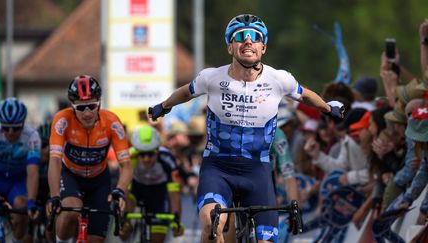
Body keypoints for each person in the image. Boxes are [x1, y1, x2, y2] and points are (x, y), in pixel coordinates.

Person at [148, 14, 344, 243]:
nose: (248, 40)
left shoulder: (279, 79)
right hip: (218, 167)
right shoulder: (211, 78)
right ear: (230, 47)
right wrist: (164, 106)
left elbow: (306, 95)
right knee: (213, 224)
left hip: (256, 170)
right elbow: (186, 92)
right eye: (240, 36)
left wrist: (328, 109)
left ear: (264, 47)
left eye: (255, 37)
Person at [47, 75, 133, 243]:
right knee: (71, 212)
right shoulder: (62, 120)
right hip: (71, 175)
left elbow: (126, 164)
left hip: (99, 180)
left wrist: (120, 190)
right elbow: (55, 161)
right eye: (81, 108)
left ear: (99, 102)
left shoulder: (112, 122)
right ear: (72, 106)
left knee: (96, 239)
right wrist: (55, 195)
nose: (87, 113)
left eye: (92, 106)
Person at [122, 125, 184, 242]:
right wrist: (124, 217)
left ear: (157, 150)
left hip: (159, 192)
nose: (146, 159)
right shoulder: (130, 157)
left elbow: (174, 194)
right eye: (142, 154)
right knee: (123, 230)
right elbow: (124, 187)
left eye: (150, 154)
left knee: (158, 238)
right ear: (137, 151)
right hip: (137, 189)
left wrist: (176, 221)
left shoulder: (167, 159)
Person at [0, 97, 40, 243]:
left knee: (22, 206)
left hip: (18, 180)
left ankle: (17, 239)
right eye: (5, 127)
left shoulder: (32, 136)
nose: (10, 132)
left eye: (16, 128)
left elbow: (33, 171)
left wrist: (31, 202)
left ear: (23, 124)